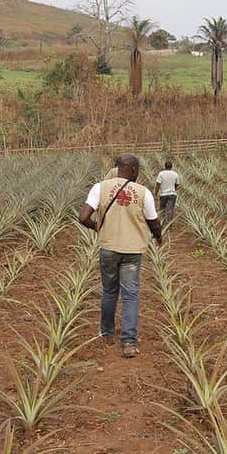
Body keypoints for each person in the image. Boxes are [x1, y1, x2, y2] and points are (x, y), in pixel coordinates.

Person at [79, 153, 162, 358]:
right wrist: (158, 237)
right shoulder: (143, 192)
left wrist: (97, 227)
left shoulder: (100, 187)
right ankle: (129, 343)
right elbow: (153, 221)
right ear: (133, 170)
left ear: (118, 168)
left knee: (109, 292)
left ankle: (107, 333)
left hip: (108, 248)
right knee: (131, 294)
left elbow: (83, 217)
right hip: (132, 251)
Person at [154, 159, 180, 227]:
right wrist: (174, 188)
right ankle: (169, 225)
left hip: (163, 194)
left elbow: (158, 184)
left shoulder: (161, 174)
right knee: (170, 209)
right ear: (171, 167)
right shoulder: (175, 174)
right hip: (172, 194)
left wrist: (156, 193)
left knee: (162, 209)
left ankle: (162, 223)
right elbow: (177, 184)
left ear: (165, 166)